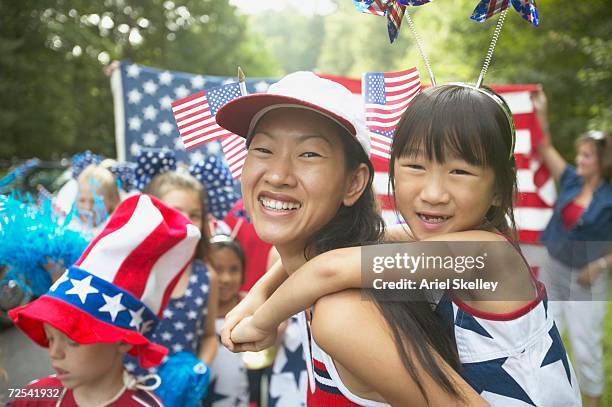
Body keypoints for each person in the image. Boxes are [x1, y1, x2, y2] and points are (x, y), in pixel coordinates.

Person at [223, 84, 583, 406]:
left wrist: (263, 321)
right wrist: (259, 295)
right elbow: (337, 257)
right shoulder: (439, 244)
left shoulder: (486, 257)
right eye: (415, 166)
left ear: (499, 192)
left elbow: (328, 268)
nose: (433, 193)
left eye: (460, 171)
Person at [215, 72, 487, 406]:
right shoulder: (338, 271)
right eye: (263, 148)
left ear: (353, 184)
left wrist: (262, 313)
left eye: (309, 154)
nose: (277, 175)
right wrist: (261, 293)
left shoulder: (341, 314)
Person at [8, 194, 202, 406]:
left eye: (73, 341)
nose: (54, 353)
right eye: (50, 337)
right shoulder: (35, 396)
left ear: (122, 340)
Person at [533, 89, 612, 407]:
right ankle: (543, 396)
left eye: (586, 155)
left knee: (585, 344)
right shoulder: (569, 181)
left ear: (603, 161)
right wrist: (541, 112)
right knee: (544, 334)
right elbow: (544, 146)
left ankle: (591, 402)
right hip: (554, 270)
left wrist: (601, 264)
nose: (578, 159)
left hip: (586, 279)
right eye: (579, 154)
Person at [124, 171, 219, 400]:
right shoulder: (128, 270)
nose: (186, 220)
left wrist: (197, 370)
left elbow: (208, 337)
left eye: (195, 214)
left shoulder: (206, 276)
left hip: (181, 396)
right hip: (126, 392)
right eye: (176, 211)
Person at [202, 235, 250, 407]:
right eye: (218, 269)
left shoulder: (251, 309)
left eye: (234, 269)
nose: (226, 278)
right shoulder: (198, 313)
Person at [74, 163, 120, 235]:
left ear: (112, 201)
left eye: (95, 201)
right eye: (82, 200)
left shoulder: (116, 233)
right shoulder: (72, 229)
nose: (87, 207)